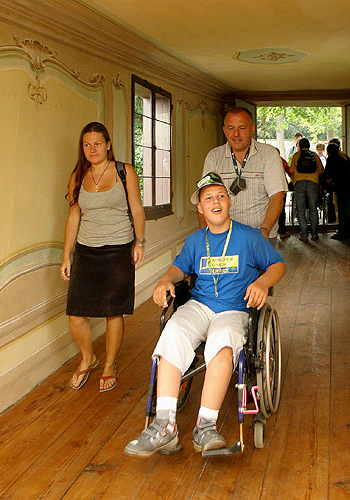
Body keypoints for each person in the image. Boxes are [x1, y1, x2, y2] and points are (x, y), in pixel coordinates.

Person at [124, 172, 285, 456]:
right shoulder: (195, 241)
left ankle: (206, 426)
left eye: (220, 196)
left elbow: (277, 265)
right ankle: (164, 425)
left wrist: (262, 282)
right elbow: (179, 269)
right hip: (200, 305)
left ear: (230, 201)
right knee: (172, 332)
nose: (215, 202)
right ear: (200, 207)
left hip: (234, 308)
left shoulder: (249, 236)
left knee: (223, 343)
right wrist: (164, 280)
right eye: (208, 198)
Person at [61, 122, 146, 392]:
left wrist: (139, 241)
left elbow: (137, 209)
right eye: (87, 145)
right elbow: (74, 216)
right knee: (76, 313)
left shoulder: (124, 171)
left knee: (113, 311)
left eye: (97, 143)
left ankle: (109, 364)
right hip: (86, 250)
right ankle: (88, 358)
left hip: (118, 248)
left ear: (108, 144)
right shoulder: (78, 175)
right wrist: (66, 255)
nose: (92, 149)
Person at [201, 107, 287, 246]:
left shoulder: (268, 154)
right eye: (230, 128)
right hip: (224, 237)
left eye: (242, 128)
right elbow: (205, 198)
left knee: (267, 268)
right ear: (224, 130)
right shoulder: (214, 157)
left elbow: (277, 197)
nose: (236, 134)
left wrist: (264, 230)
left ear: (252, 129)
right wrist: (204, 236)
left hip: (260, 235)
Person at [325, 143, 350, 245]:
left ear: (328, 152)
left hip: (345, 187)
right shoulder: (343, 158)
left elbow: (327, 174)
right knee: (348, 210)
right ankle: (347, 233)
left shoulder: (331, 159)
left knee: (348, 210)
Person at [290, 138, 324, 242]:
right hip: (313, 183)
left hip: (299, 183)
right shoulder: (314, 155)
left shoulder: (296, 156)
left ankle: (304, 234)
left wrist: (295, 180)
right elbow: (321, 171)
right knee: (313, 209)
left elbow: (291, 171)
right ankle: (314, 234)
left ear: (299, 146)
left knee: (300, 209)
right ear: (309, 145)